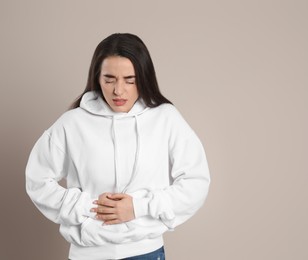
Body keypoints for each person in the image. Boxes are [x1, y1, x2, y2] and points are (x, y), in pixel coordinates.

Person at [25, 33, 210, 260]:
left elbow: (196, 182)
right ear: (97, 78)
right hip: (88, 254)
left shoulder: (166, 119)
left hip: (145, 253)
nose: (118, 90)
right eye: (109, 79)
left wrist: (138, 207)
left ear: (144, 77)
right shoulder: (73, 123)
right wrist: (87, 207)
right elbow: (37, 180)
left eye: (130, 80)